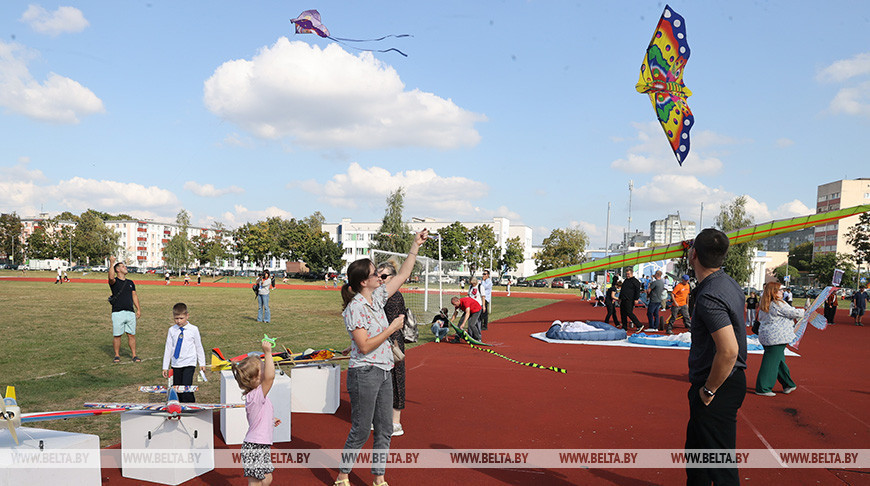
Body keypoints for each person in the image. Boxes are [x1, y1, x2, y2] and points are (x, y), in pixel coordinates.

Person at [333, 229, 427, 486]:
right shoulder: (355, 308)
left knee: (385, 429)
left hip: (384, 370)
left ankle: (378, 478)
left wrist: (414, 246)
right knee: (361, 429)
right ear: (364, 281)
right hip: (364, 372)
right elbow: (363, 346)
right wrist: (391, 329)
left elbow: (404, 274)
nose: (381, 276)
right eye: (376, 273)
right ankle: (342, 476)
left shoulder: (378, 297)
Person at [684, 228, 748, 486]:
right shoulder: (728, 283)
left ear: (693, 254)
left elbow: (729, 350)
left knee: (720, 466)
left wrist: (708, 391)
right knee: (698, 456)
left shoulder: (711, 295)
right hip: (724, 382)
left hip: (718, 385)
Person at [232, 339, 279, 486]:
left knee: (267, 478)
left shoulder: (255, 396)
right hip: (255, 446)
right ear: (256, 378)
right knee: (256, 482)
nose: (266, 370)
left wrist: (271, 420)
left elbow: (259, 416)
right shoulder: (257, 395)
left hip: (259, 446)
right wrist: (268, 353)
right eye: (263, 368)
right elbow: (270, 377)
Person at [755, 282, 802, 397]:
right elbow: (793, 313)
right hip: (777, 338)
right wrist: (805, 311)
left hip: (768, 336)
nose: (783, 292)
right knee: (771, 362)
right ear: (774, 292)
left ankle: (788, 384)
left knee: (778, 361)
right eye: (781, 290)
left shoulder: (765, 303)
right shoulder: (777, 304)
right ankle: (763, 387)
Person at [376, 261, 407, 437]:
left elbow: (395, 322)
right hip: (378, 342)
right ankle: (381, 417)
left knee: (396, 379)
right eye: (378, 276)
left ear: (393, 278)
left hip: (393, 342)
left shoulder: (394, 297)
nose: (380, 279)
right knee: (380, 380)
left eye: (384, 276)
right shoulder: (379, 295)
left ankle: (396, 421)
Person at [161, 302, 206, 403]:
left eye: (181, 318)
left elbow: (199, 346)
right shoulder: (172, 330)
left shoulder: (194, 329)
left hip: (189, 363)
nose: (179, 321)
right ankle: (179, 407)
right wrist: (165, 366)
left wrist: (202, 363)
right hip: (176, 364)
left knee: (186, 389)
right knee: (177, 389)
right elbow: (168, 348)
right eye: (176, 318)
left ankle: (191, 407)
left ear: (187, 316)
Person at [108, 256, 141, 363]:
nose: (125, 268)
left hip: (130, 312)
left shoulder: (131, 282)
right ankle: (117, 355)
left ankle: (134, 355)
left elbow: (134, 296)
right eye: (123, 266)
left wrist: (138, 309)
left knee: (131, 335)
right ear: (117, 270)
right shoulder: (115, 282)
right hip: (118, 312)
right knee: (117, 335)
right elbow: (111, 278)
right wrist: (112, 263)